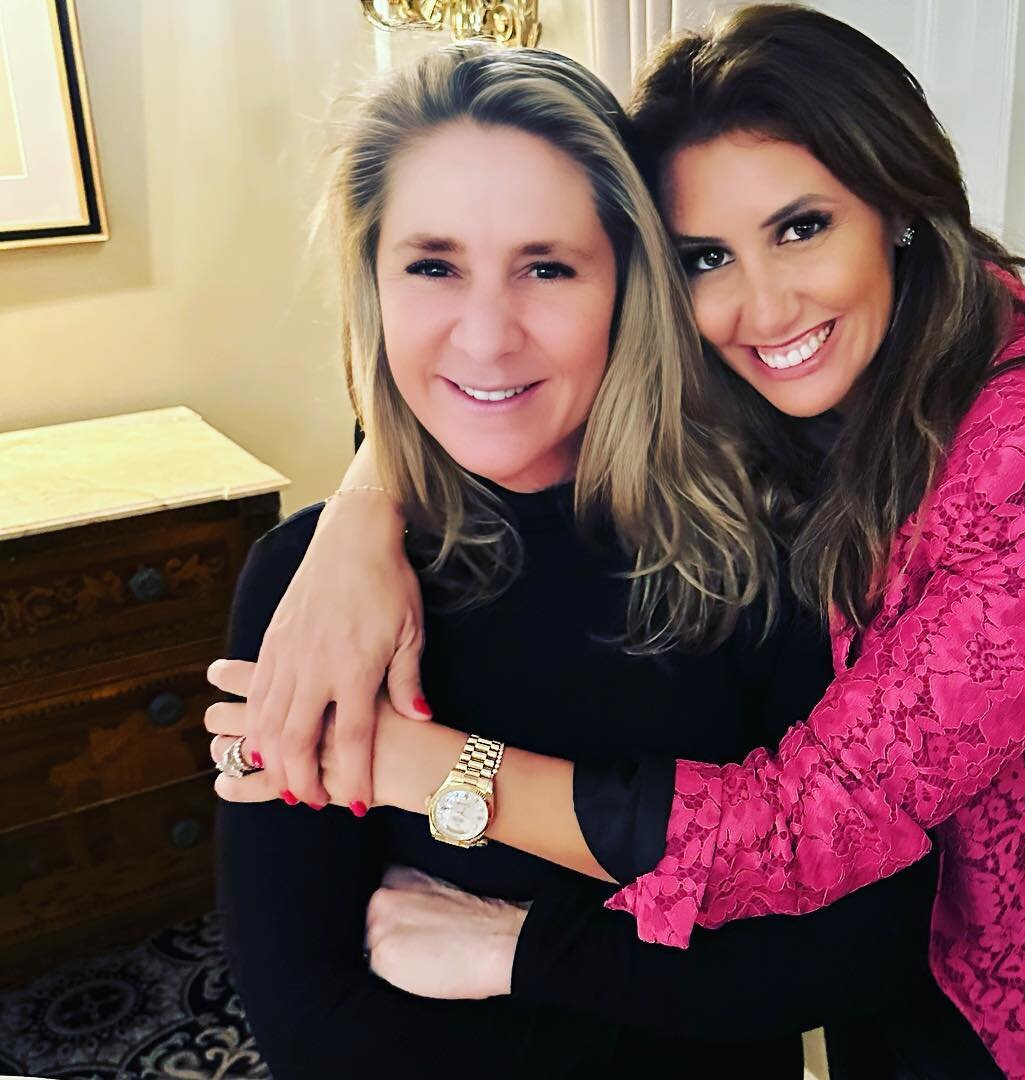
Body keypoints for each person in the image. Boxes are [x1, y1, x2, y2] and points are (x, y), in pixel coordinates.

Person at [211, 6, 1025, 1077]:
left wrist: (438, 790)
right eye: (708, 255)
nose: (762, 308)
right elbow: (310, 1021)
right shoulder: (745, 400)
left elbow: (818, 844)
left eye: (803, 226)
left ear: (899, 206)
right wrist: (356, 515)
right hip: (877, 1024)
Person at [212, 38, 979, 1080]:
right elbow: (311, 1024)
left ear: (629, 285)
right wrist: (669, 982)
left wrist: (525, 952)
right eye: (433, 266)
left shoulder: (764, 551)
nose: (487, 338)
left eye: (547, 267)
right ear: (374, 287)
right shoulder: (311, 587)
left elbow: (856, 948)